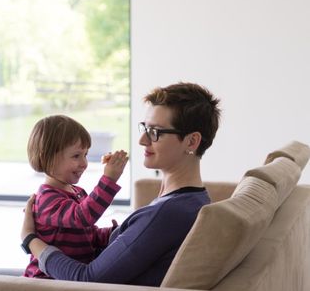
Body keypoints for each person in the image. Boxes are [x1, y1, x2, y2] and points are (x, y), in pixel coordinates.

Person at [20, 82, 221, 286]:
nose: (142, 140)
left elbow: (86, 280)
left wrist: (31, 241)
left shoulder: (167, 213)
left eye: (155, 132)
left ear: (191, 142)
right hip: (59, 275)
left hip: (69, 282)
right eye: (145, 128)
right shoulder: (187, 199)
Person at [23, 115, 129, 278]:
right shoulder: (46, 198)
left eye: (85, 155)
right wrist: (109, 180)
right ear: (48, 157)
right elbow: (82, 217)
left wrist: (114, 232)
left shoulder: (77, 192)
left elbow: (89, 235)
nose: (84, 163)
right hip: (46, 280)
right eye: (76, 156)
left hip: (70, 277)